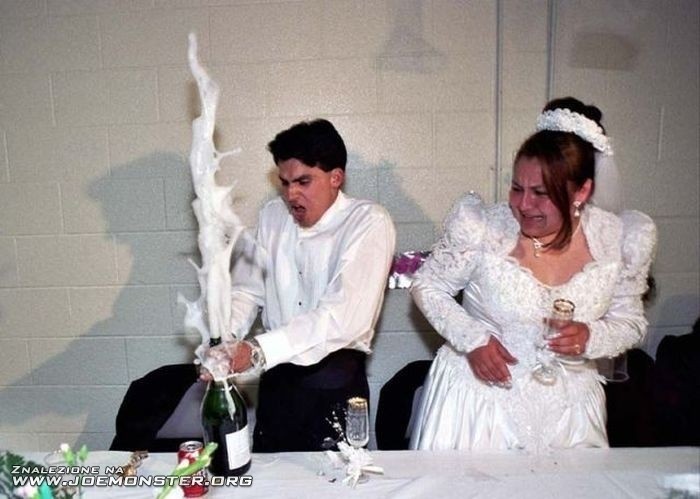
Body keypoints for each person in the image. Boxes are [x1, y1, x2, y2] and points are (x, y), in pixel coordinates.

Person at [409, 97, 657, 451]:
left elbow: (630, 323)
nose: (523, 204)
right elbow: (428, 286)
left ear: (582, 191)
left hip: (569, 415)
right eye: (517, 188)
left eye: (541, 193)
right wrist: (472, 340)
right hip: (478, 407)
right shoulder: (482, 227)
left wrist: (591, 336)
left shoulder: (619, 240)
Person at [221, 119, 396, 452]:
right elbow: (246, 290)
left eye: (303, 181)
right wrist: (225, 338)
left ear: (335, 178)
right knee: (270, 475)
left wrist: (256, 350)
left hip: (335, 381)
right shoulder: (271, 216)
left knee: (338, 477)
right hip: (277, 381)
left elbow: (341, 318)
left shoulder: (368, 221)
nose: (291, 194)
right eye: (285, 182)